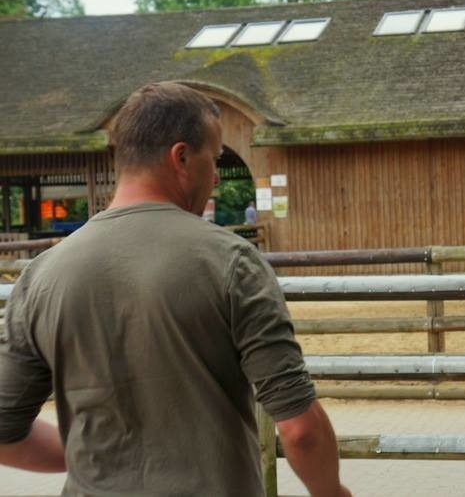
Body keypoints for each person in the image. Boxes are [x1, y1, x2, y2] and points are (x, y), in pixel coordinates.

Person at [0, 82, 350, 497]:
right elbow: (299, 429)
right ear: (181, 157)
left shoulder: (40, 276)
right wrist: (332, 493)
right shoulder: (230, 262)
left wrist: (93, 454)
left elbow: (4, 431)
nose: (217, 176)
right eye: (215, 159)